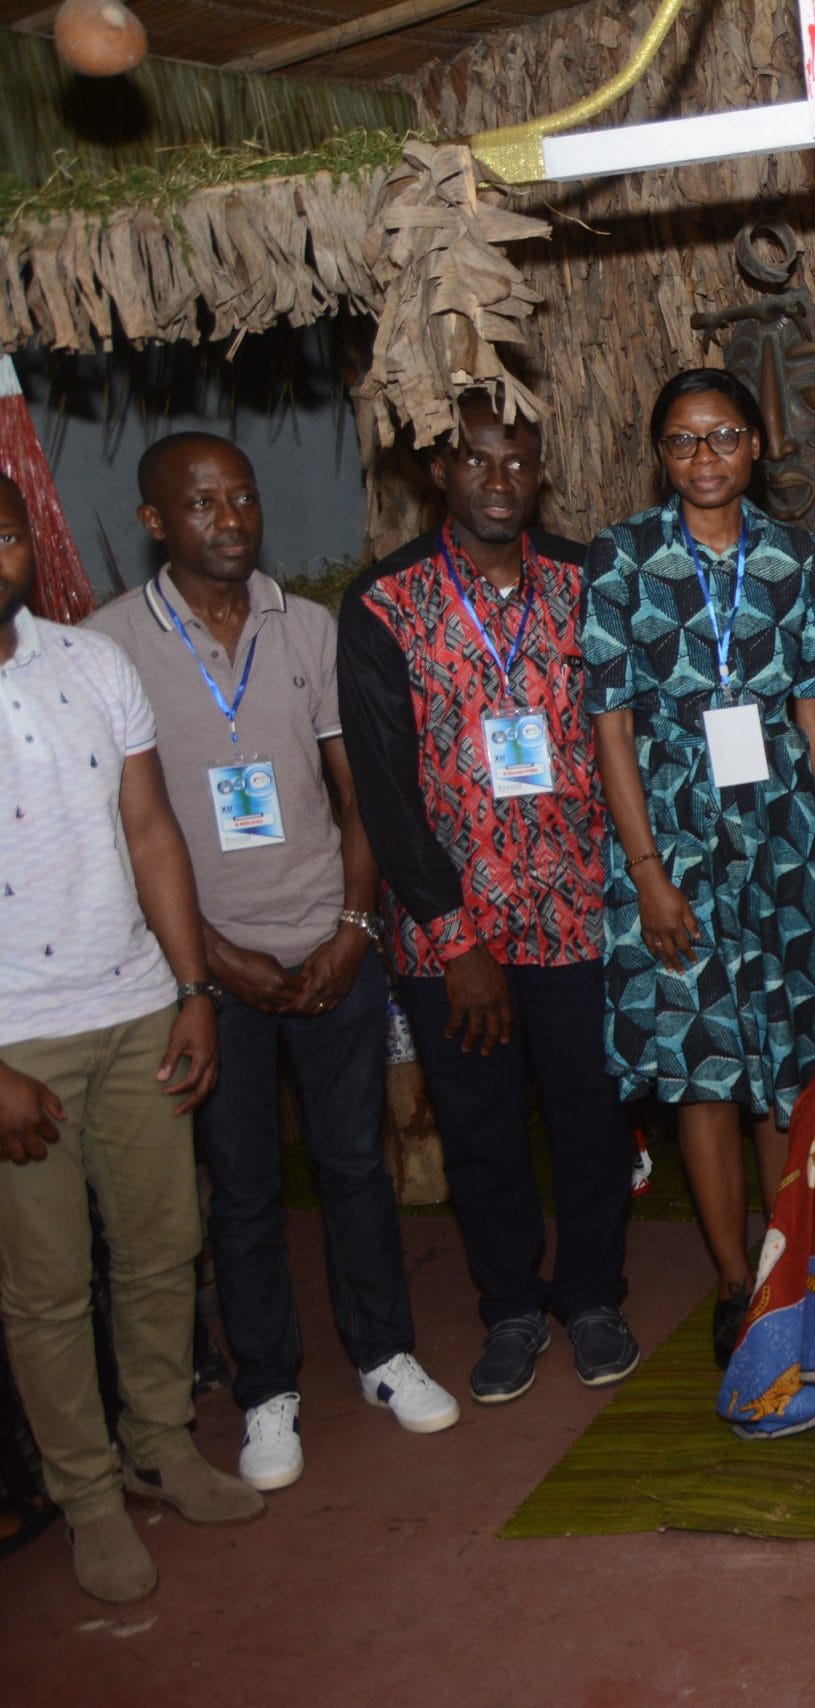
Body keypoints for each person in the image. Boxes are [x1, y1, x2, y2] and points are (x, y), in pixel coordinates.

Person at [88, 434, 456, 1490]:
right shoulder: (111, 645)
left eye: (243, 495)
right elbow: (127, 833)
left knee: (354, 1165)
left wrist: (354, 925)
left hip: (329, 949)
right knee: (243, 1186)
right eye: (201, 502)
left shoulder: (310, 626)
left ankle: (384, 1353)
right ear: (156, 521)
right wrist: (207, 963)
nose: (232, 516)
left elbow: (360, 790)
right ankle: (267, 1391)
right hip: (205, 975)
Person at [341, 402, 639, 1402]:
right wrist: (454, 937)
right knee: (479, 1129)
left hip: (579, 911)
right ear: (439, 471)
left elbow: (627, 734)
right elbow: (382, 790)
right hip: (453, 934)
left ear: (540, 471)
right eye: (476, 458)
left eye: (517, 459)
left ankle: (593, 1295)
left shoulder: (590, 580)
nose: (498, 476)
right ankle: (511, 1304)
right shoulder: (384, 604)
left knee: (592, 1115)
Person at [0, 470, 259, 1605]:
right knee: (50, 1290)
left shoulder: (91, 665)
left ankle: (162, 1443)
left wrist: (193, 986)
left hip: (138, 1001)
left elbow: (152, 834)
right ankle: (89, 1496)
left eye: (2, 533)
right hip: (18, 1045)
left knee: (163, 1244)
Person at [583, 369, 815, 1366]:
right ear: (660, 455)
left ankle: (790, 1266)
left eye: (725, 436)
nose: (705, 458)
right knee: (702, 1069)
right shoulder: (622, 559)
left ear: (755, 446)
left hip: (783, 838)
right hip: (676, 844)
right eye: (684, 442)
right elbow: (609, 729)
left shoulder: (796, 558)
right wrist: (649, 871)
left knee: (787, 1064)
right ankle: (734, 1281)